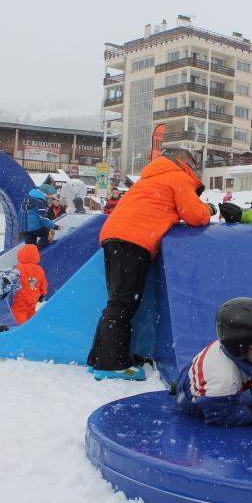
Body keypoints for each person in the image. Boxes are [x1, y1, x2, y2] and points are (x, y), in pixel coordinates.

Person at [88, 148, 217, 381]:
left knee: (117, 301)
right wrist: (210, 209)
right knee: (123, 303)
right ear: (186, 163)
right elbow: (195, 215)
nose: (195, 172)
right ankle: (111, 364)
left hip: (116, 235)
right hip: (134, 239)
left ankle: (98, 358)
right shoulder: (179, 177)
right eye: (195, 166)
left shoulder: (152, 177)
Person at [174, 297, 252, 428]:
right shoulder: (224, 379)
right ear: (240, 348)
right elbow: (219, 417)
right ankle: (177, 387)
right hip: (192, 398)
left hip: (199, 372)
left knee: (241, 395)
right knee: (206, 402)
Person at [11, 244, 48, 325]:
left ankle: (20, 329)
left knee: (19, 311)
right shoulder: (39, 269)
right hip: (34, 296)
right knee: (31, 311)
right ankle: (33, 327)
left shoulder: (18, 268)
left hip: (21, 296)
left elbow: (11, 280)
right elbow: (43, 283)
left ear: (21, 254)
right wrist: (43, 293)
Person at [18, 185, 60, 250]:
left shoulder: (27, 199)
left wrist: (20, 229)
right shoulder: (41, 203)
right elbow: (44, 219)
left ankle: (31, 253)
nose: (51, 201)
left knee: (30, 246)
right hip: (34, 227)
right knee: (50, 232)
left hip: (25, 229)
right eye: (51, 199)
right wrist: (55, 226)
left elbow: (20, 214)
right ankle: (39, 248)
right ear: (46, 196)